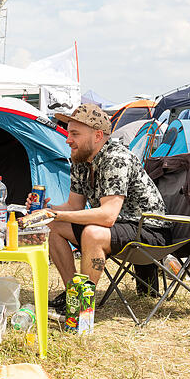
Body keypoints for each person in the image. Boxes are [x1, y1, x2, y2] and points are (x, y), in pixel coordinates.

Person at [29, 103, 170, 312]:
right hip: (119, 227)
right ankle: (73, 295)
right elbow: (73, 206)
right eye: (69, 133)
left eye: (75, 134)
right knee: (52, 226)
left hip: (149, 229)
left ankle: (84, 308)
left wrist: (55, 214)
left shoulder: (115, 158)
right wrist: (46, 211)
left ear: (97, 136)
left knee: (93, 233)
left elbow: (107, 216)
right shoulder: (80, 160)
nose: (68, 140)